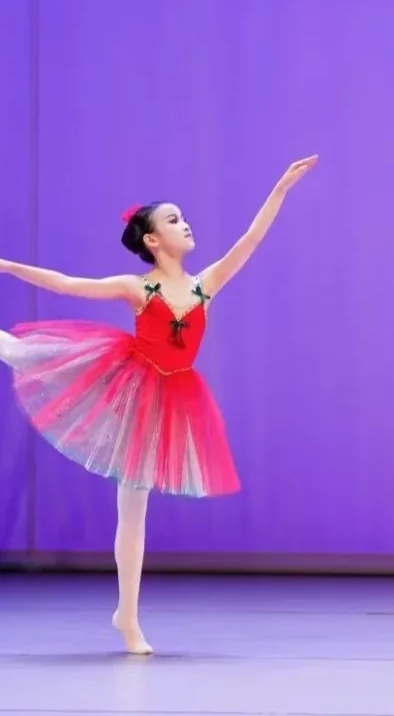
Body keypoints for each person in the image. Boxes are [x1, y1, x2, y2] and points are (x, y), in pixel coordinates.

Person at [0, 155, 318, 654]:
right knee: (26, 353)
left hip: (172, 397)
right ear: (152, 240)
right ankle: (127, 618)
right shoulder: (137, 287)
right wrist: (6, 265)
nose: (185, 223)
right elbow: (66, 283)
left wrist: (280, 188)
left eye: (183, 217)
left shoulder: (205, 285)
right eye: (173, 220)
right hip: (128, 384)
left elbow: (250, 241)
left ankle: (126, 615)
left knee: (135, 507)